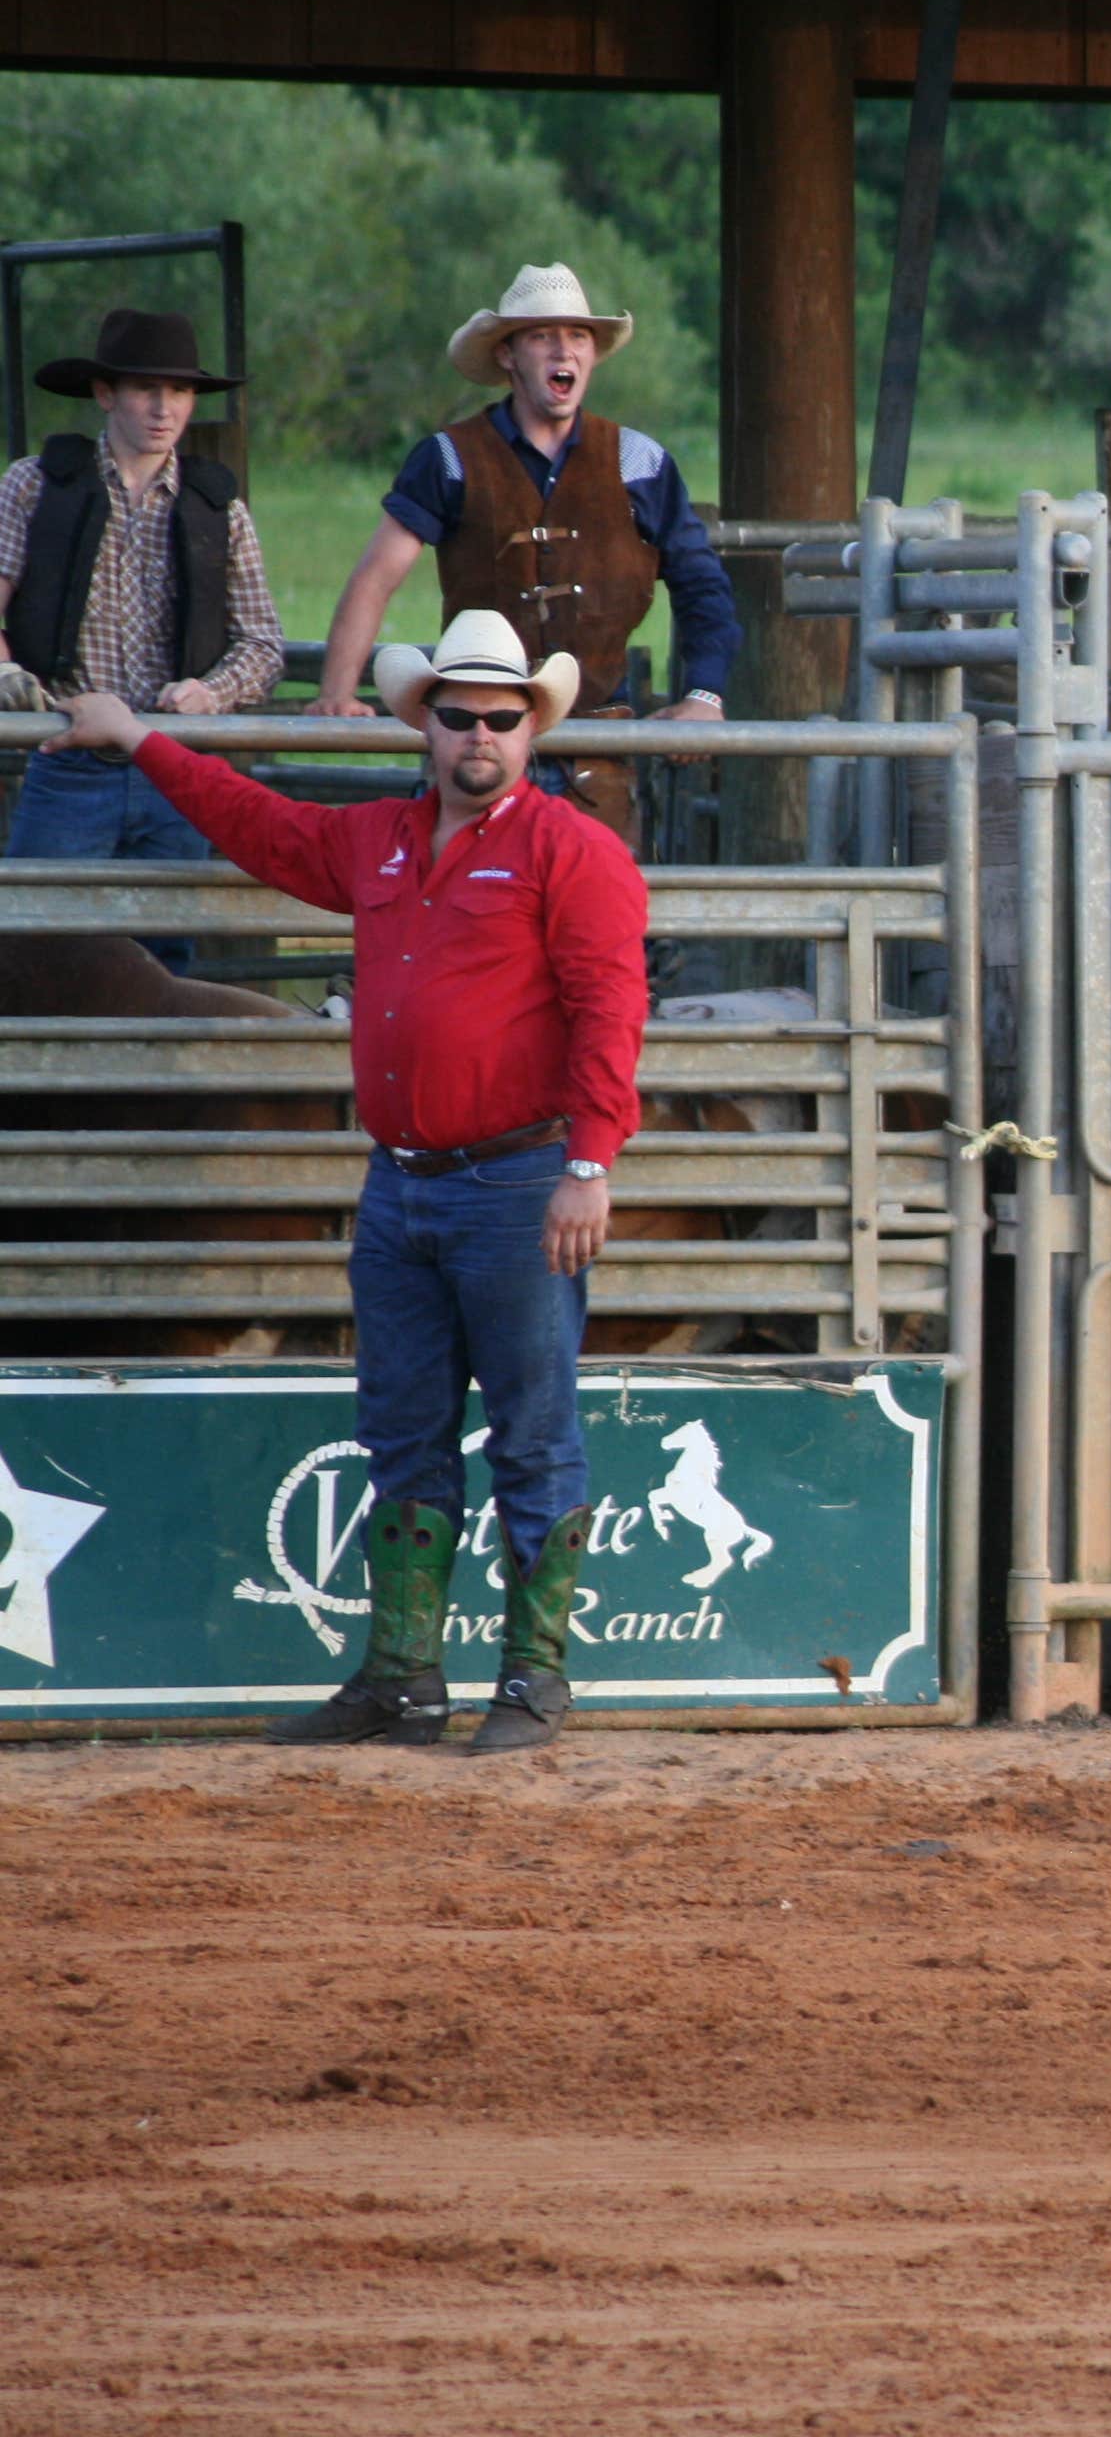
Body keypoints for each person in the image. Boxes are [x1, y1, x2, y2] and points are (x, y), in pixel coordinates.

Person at [58, 609, 648, 1750]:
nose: (480, 734)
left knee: (532, 1429)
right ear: (426, 724)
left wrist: (590, 1161)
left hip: (519, 1178)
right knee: (404, 1427)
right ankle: (404, 1679)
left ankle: (533, 1681)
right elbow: (261, 825)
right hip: (407, 1182)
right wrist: (140, 740)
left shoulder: (573, 852)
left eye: (501, 717)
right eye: (461, 715)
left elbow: (610, 1010)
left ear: (531, 729)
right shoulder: (380, 840)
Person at [311, 264, 738, 849]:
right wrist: (337, 692)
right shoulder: (449, 458)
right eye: (542, 336)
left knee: (591, 927)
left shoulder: (638, 462)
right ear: (508, 355)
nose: (564, 349)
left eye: (579, 336)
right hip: (473, 740)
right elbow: (376, 578)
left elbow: (701, 585)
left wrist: (703, 697)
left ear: (592, 354)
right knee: (462, 918)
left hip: (596, 747)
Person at [0, 308, 285, 972]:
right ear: (106, 395)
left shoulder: (218, 508)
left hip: (172, 763)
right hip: (67, 755)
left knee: (161, 961)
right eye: (146, 390)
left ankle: (141, 1077)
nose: (165, 408)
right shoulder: (35, 483)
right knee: (32, 952)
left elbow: (263, 644)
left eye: (180, 391)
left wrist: (208, 693)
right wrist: (5, 672)